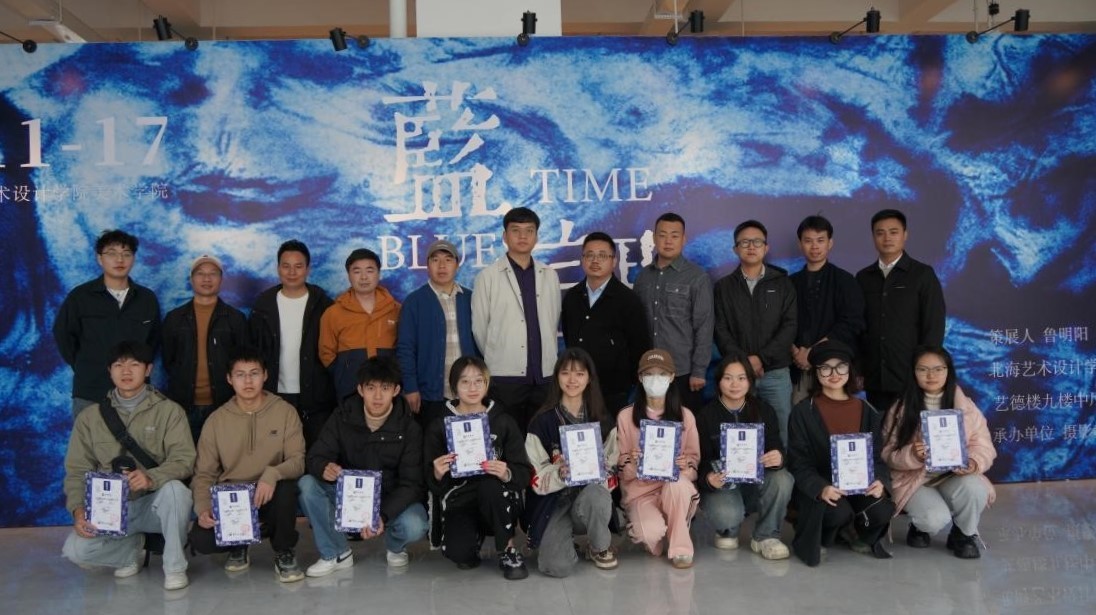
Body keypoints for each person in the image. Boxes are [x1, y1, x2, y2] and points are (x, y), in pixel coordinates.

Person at [61, 341, 195, 590]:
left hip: (154, 505)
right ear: (109, 371)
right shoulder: (90, 418)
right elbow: (77, 471)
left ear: (148, 369)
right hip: (111, 510)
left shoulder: (169, 411)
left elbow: (184, 460)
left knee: (177, 491)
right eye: (118, 365)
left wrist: (151, 477)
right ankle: (131, 550)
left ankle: (175, 567)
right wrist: (78, 510)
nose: (126, 371)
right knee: (76, 551)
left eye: (134, 364)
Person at [298, 356, 427, 576]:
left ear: (396, 390)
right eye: (371, 388)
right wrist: (324, 467)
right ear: (360, 389)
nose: (377, 396)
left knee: (415, 524)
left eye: (385, 388)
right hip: (349, 498)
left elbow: (412, 484)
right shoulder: (342, 415)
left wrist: (382, 515)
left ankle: (395, 547)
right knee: (307, 484)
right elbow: (316, 455)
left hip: (389, 499)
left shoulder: (409, 427)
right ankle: (337, 552)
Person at [189, 347, 307, 583]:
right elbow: (204, 473)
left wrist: (272, 474)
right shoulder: (216, 420)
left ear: (265, 375)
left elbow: (298, 461)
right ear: (229, 379)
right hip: (233, 500)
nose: (248, 381)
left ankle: (284, 551)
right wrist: (203, 508)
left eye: (254, 373)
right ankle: (238, 545)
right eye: (240, 375)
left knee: (287, 489)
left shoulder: (285, 412)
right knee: (201, 540)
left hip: (269, 493)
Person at [786, 340, 894, 567]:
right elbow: (798, 462)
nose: (834, 374)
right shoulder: (803, 411)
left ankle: (857, 533)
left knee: (882, 509)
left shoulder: (867, 410)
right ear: (816, 373)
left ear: (849, 369)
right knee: (837, 512)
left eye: (840, 366)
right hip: (822, 484)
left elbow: (876, 457)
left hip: (858, 484)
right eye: (825, 368)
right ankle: (827, 535)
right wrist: (820, 488)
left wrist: (880, 481)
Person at [882, 346, 996, 559]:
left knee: (975, 489)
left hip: (953, 474)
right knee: (933, 519)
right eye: (923, 369)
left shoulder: (966, 407)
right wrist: (912, 455)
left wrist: (972, 462)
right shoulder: (900, 409)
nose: (931, 375)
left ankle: (963, 534)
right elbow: (887, 453)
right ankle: (920, 526)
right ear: (913, 373)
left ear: (948, 371)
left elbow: (983, 446)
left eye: (938, 369)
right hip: (914, 478)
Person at [424, 356, 532, 580]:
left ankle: (507, 548)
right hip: (459, 497)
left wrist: (507, 473)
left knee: (490, 486)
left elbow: (523, 471)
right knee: (460, 555)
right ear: (454, 387)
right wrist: (436, 473)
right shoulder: (439, 425)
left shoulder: (503, 421)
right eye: (465, 382)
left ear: (487, 384)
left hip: (496, 496)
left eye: (478, 381)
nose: (472, 388)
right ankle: (473, 537)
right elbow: (427, 478)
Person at [524, 348, 620, 577]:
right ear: (557, 377)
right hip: (554, 502)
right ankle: (563, 539)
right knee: (556, 566)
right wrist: (559, 473)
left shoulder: (602, 419)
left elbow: (613, 469)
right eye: (565, 373)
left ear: (589, 378)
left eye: (579, 373)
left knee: (597, 494)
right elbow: (535, 477)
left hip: (588, 498)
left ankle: (599, 546)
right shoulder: (541, 422)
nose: (572, 380)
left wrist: (599, 470)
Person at [696, 352, 793, 560]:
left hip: (756, 481)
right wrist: (708, 479)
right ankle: (728, 530)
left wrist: (778, 457)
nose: (735, 384)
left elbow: (776, 446)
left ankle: (766, 536)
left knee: (783, 478)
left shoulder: (764, 410)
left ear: (750, 380)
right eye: (728, 378)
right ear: (718, 381)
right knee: (727, 516)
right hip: (724, 485)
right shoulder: (705, 415)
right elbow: (700, 460)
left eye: (741, 378)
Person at [471, 207, 561, 432]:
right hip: (505, 377)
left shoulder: (549, 275)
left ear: (536, 237)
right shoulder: (487, 277)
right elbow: (480, 330)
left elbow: (553, 321)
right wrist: (499, 353)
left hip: (544, 376)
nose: (523, 236)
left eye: (529, 231)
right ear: (505, 236)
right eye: (516, 230)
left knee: (541, 438)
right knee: (507, 438)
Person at [53, 229, 161, 416]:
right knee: (88, 436)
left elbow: (153, 341)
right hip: (91, 392)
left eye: (126, 254)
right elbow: (64, 336)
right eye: (112, 253)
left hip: (136, 394)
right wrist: (86, 365)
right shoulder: (80, 297)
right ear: (99, 258)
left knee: (139, 436)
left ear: (133, 259)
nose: (120, 260)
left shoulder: (146, 299)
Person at [713, 219, 797, 446]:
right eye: (745, 242)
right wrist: (744, 364)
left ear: (766, 247)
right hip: (737, 376)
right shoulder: (723, 287)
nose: (751, 246)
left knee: (782, 432)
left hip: (775, 372)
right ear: (735, 249)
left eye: (757, 242)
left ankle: (780, 470)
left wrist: (761, 358)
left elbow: (790, 326)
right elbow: (720, 329)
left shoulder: (782, 283)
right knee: (739, 435)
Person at [616, 349, 701, 569]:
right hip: (641, 492)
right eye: (649, 374)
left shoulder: (685, 416)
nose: (656, 380)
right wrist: (633, 462)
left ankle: (681, 546)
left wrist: (684, 465)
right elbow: (620, 464)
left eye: (662, 374)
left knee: (677, 485)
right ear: (640, 377)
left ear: (672, 377)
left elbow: (693, 459)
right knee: (649, 535)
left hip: (674, 488)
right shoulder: (625, 417)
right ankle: (661, 530)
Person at [856, 209, 946, 412]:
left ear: (905, 235)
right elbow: (859, 328)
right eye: (880, 233)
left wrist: (926, 369)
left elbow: (933, 326)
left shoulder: (922, 275)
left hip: (911, 376)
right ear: (873, 237)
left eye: (893, 232)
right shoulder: (863, 277)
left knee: (911, 430)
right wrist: (859, 368)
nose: (887, 238)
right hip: (875, 377)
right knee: (879, 428)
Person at [249, 239, 336, 448]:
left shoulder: (324, 305)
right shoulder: (263, 305)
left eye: (298, 266)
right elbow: (253, 349)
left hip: (316, 398)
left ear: (308, 269)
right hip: (274, 393)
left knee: (315, 454)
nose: (292, 272)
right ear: (278, 268)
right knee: (276, 453)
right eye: (286, 266)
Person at [561, 231, 651, 414]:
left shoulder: (628, 300)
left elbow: (640, 346)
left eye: (602, 255)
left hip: (615, 390)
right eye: (590, 255)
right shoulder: (572, 297)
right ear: (582, 259)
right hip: (577, 388)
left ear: (614, 261)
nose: (595, 260)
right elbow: (569, 337)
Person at [162, 254, 249, 441]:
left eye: (213, 274)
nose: (207, 279)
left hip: (225, 405)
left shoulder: (236, 319)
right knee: (185, 457)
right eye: (200, 273)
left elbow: (243, 362)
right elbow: (169, 361)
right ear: (191, 279)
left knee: (223, 456)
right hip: (183, 406)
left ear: (221, 279)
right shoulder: (174, 319)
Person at [633, 213, 713, 413]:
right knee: (650, 425)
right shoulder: (643, 277)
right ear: (654, 238)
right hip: (648, 372)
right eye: (662, 235)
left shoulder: (697, 277)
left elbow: (704, 326)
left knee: (684, 425)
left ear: (684, 239)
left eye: (674, 235)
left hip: (682, 372)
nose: (668, 241)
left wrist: (699, 371)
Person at [397, 239, 478, 427]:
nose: (442, 265)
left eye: (448, 260)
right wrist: (411, 387)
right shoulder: (414, 302)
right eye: (435, 260)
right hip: (431, 395)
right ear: (427, 265)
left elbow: (485, 343)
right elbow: (405, 348)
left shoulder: (471, 298)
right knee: (432, 441)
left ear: (457, 265)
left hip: (469, 392)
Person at [789, 215, 865, 404]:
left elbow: (852, 323)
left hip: (836, 368)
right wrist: (796, 353)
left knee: (836, 418)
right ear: (800, 244)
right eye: (808, 241)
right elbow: (781, 322)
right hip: (799, 369)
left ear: (830, 243)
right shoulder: (789, 283)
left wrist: (813, 352)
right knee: (799, 417)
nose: (814, 246)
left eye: (820, 240)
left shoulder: (845, 280)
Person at [319, 248, 401, 402]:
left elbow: (405, 349)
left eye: (370, 270)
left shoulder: (396, 310)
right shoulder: (333, 313)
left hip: (389, 390)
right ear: (349, 275)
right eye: (357, 271)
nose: (364, 277)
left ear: (378, 274)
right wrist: (344, 373)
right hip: (349, 391)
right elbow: (326, 353)